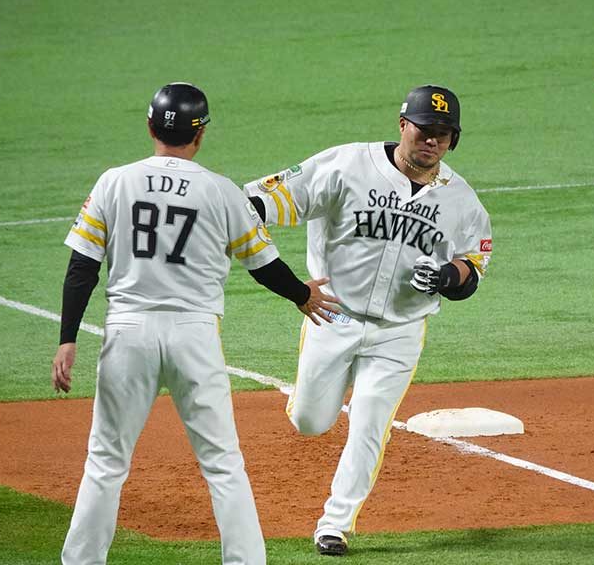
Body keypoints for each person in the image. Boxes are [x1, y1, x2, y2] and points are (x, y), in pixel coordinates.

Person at [50, 82, 339, 565]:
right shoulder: (221, 191)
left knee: (105, 463)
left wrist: (67, 340)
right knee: (223, 465)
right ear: (200, 134)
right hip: (194, 338)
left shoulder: (114, 182)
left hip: (128, 334)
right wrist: (303, 295)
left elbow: (82, 267)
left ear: (150, 126)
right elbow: (263, 264)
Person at [243, 84, 493, 556]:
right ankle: (312, 405)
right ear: (403, 125)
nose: (431, 140)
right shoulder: (346, 165)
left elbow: (473, 265)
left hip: (399, 331)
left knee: (370, 422)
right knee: (310, 421)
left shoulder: (461, 200)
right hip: (332, 315)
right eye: (424, 129)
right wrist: (281, 274)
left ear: (453, 140)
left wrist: (447, 275)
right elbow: (258, 200)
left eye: (442, 134)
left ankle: (334, 524)